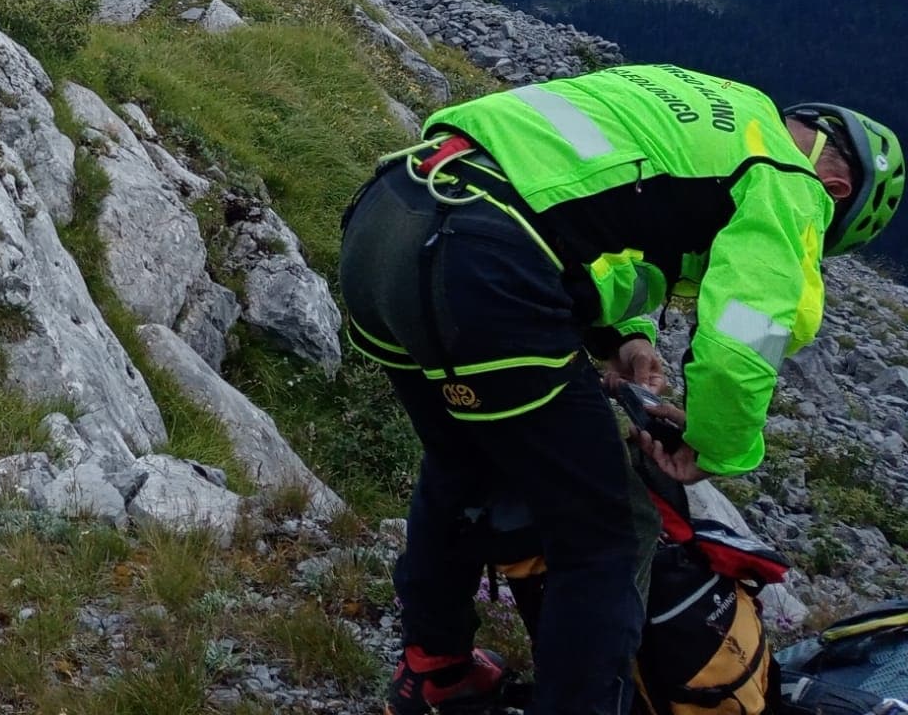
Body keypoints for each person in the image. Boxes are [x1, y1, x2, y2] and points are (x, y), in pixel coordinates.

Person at [339, 64, 903, 715]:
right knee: (607, 534)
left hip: (390, 215)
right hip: (481, 264)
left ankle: (435, 672)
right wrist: (714, 446)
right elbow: (741, 344)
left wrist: (626, 338)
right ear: (835, 189)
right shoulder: (791, 182)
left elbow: (593, 204)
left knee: (459, 462)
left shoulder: (719, 105)